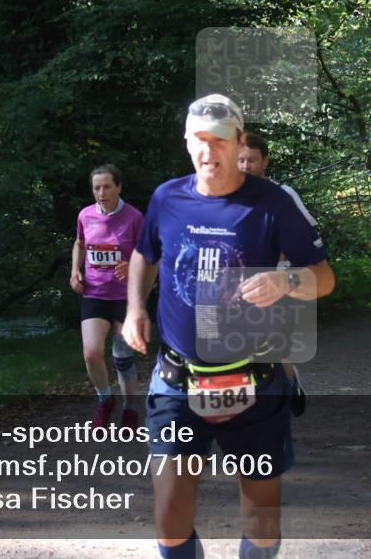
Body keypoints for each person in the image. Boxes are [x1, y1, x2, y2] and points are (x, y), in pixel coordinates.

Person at [123, 95, 335, 559]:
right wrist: (134, 308)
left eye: (219, 141)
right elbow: (144, 253)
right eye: (198, 141)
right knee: (169, 518)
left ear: (239, 143)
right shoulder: (167, 198)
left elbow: (323, 276)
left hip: (255, 382)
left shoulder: (272, 203)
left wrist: (286, 279)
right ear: (186, 142)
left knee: (261, 521)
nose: (208, 152)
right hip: (178, 382)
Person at [237, 132, 314, 416]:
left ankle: (288, 388)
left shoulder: (282, 195)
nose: (245, 166)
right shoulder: (225, 198)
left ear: (265, 162)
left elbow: (308, 237)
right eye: (240, 160)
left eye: (252, 161)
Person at [70, 164, 145, 429]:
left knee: (123, 358)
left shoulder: (134, 217)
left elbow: (147, 255)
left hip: (125, 297)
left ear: (119, 187)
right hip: (95, 293)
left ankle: (129, 408)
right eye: (96, 188)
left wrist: (131, 265)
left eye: (107, 187)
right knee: (91, 354)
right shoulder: (86, 216)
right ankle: (105, 400)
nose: (101, 193)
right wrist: (74, 271)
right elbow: (80, 244)